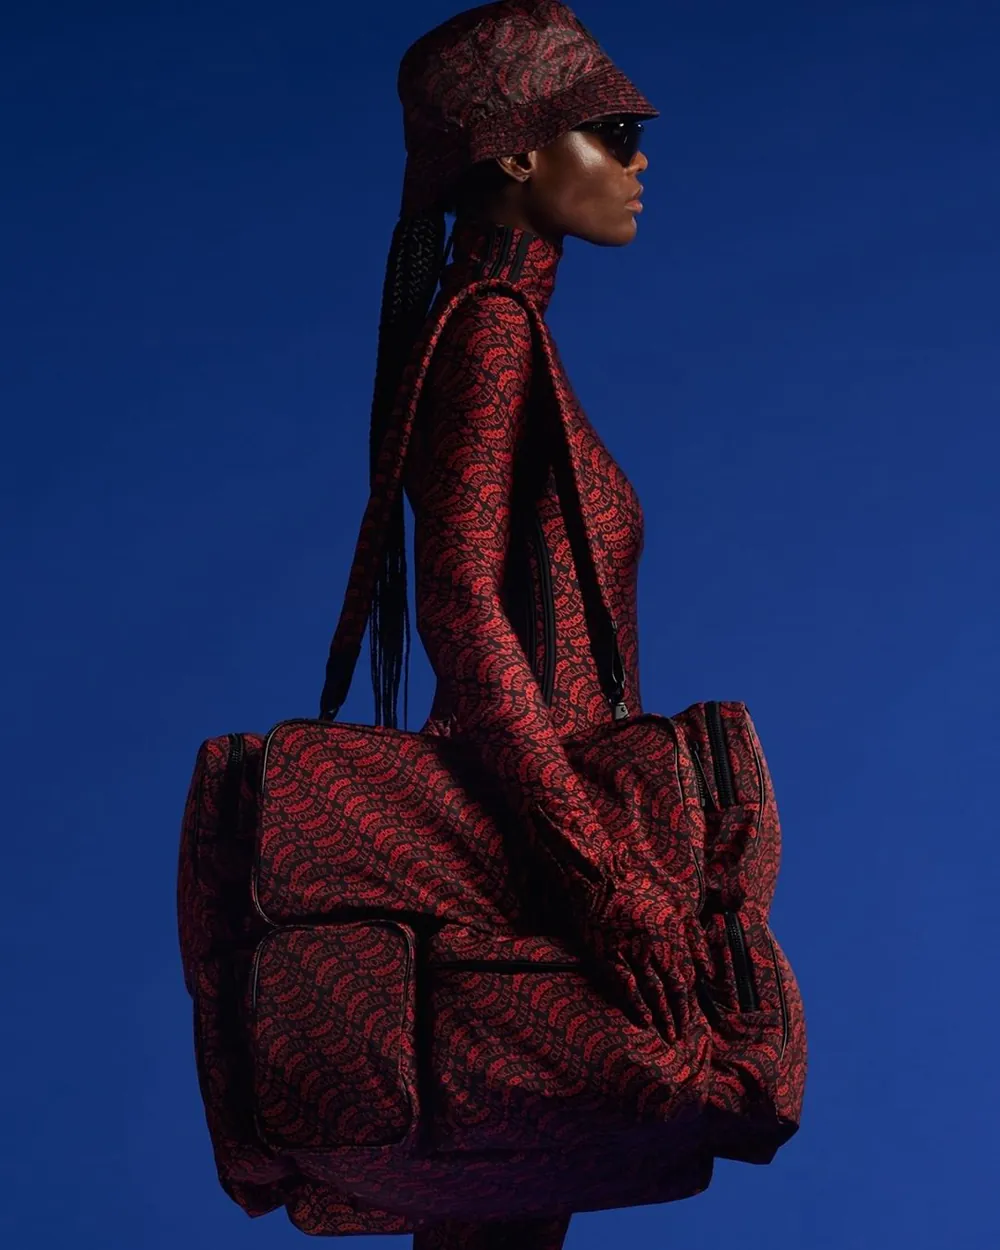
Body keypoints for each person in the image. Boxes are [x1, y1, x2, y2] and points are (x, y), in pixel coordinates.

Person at [353, 3, 658, 1247]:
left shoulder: (498, 323)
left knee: (511, 1216)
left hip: (536, 825)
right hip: (529, 838)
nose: (639, 162)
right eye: (613, 132)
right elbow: (460, 602)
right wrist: (594, 859)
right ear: (519, 154)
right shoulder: (487, 330)